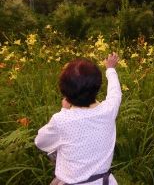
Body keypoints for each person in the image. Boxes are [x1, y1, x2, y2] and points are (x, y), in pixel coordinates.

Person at [35, 53, 122, 185]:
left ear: (65, 93)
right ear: (97, 86)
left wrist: (64, 110)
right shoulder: (108, 110)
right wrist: (110, 68)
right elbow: (115, 92)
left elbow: (40, 142)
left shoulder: (62, 120)